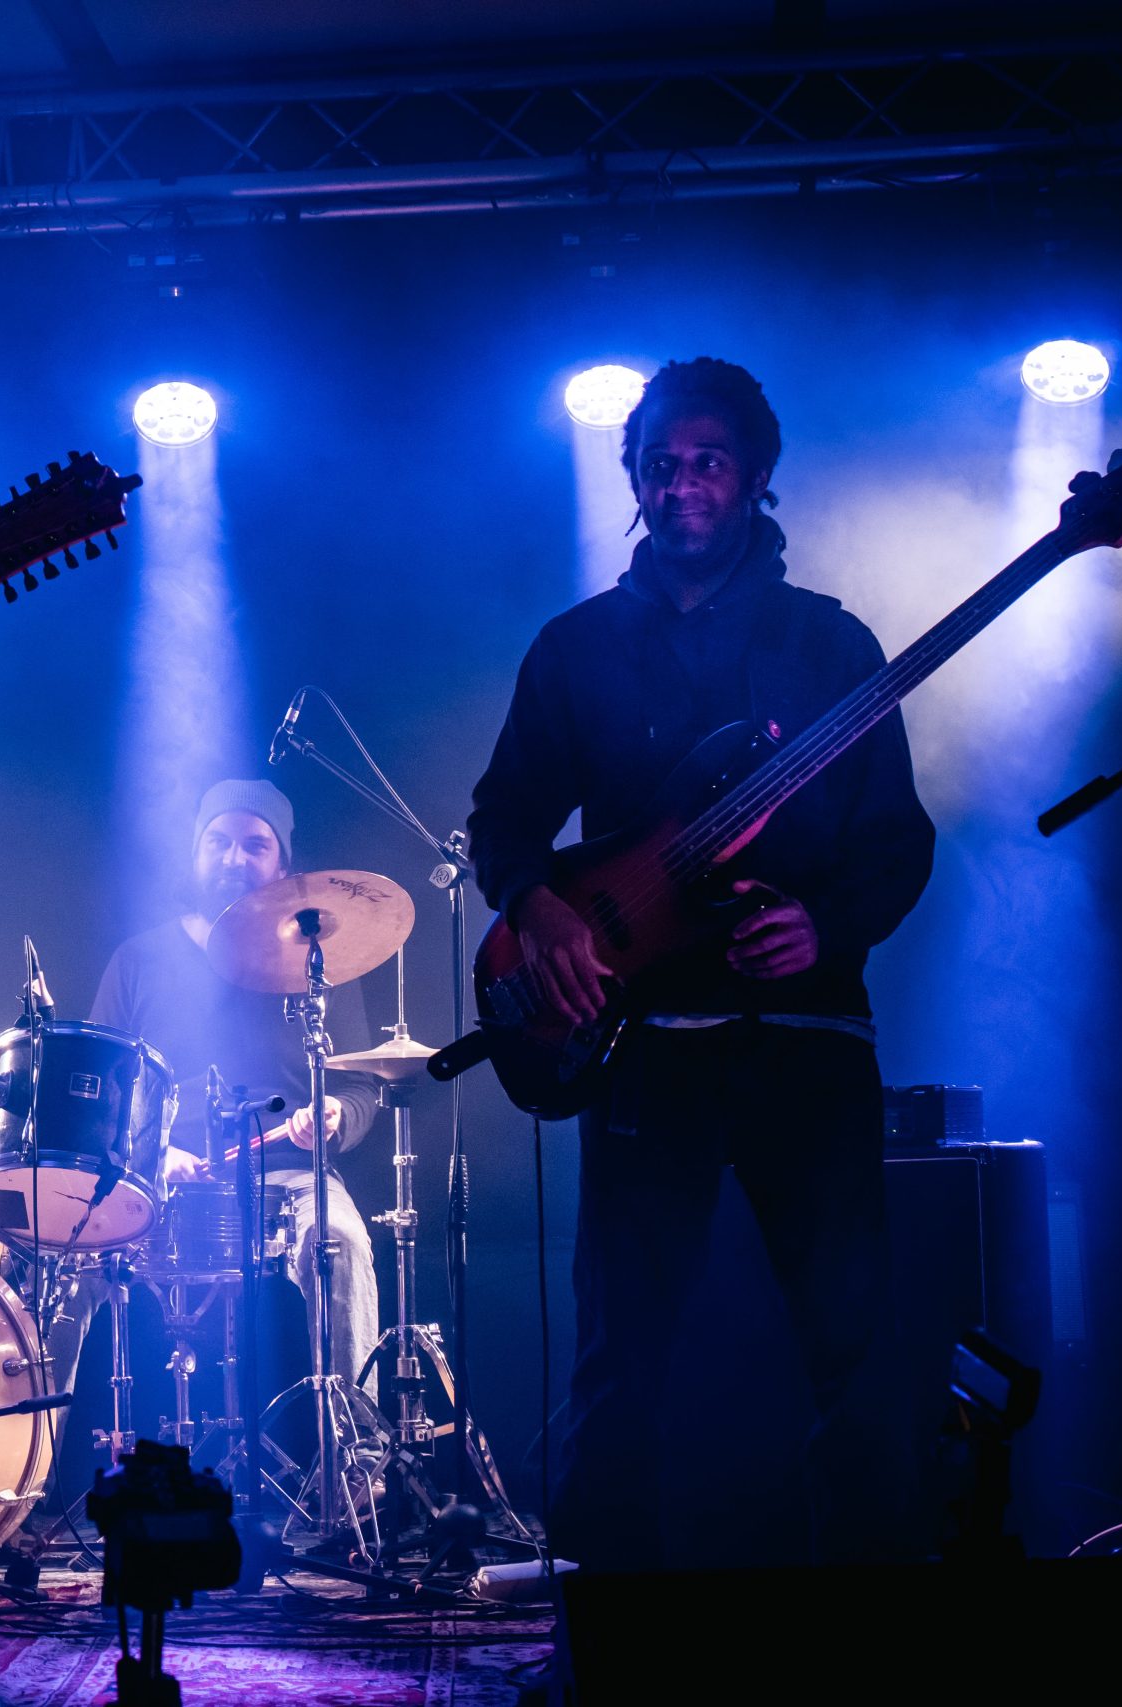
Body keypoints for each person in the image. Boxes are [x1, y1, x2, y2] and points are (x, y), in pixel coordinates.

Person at [467, 357, 936, 1570]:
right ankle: (603, 1634)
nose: (681, 484)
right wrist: (538, 909)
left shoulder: (829, 645)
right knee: (618, 1359)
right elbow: (504, 817)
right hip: (644, 1046)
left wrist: (825, 929)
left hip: (804, 1040)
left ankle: (880, 1624)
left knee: (853, 1349)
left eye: (706, 462)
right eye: (659, 465)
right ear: (633, 479)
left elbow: (897, 842)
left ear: (755, 475)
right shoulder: (576, 648)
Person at [87, 779, 382, 1392]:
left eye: (255, 845)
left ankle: (355, 1443)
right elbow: (99, 1095)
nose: (234, 858)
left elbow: (361, 1090)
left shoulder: (320, 961)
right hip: (159, 1179)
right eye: (218, 842)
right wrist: (152, 1153)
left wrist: (335, 1113)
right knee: (70, 1253)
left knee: (341, 1244)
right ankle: (35, 1446)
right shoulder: (138, 960)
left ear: (282, 865)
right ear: (196, 854)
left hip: (291, 1176)